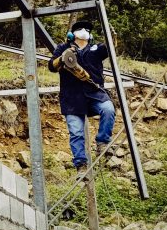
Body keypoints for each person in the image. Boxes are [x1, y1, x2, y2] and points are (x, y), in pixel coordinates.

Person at [47, 20, 116, 174]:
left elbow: (111, 48)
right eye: (80, 29)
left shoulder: (96, 48)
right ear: (73, 33)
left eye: (87, 29)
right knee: (76, 132)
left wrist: (112, 36)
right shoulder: (63, 48)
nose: (84, 31)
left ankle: (103, 142)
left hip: (94, 92)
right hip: (72, 97)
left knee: (108, 110)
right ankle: (81, 165)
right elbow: (52, 66)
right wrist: (63, 58)